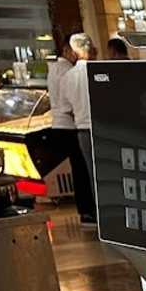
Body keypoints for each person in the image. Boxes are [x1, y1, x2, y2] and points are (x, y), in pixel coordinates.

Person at [47, 32, 95, 224]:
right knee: (88, 171)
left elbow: (65, 106)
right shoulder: (90, 71)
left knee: (84, 171)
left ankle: (88, 211)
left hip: (76, 126)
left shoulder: (64, 73)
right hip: (82, 127)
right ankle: (92, 210)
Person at [64, 33, 96, 229]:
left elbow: (67, 107)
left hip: (82, 129)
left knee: (92, 173)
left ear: (74, 51)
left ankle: (99, 214)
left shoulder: (68, 76)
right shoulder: (98, 70)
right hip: (102, 127)